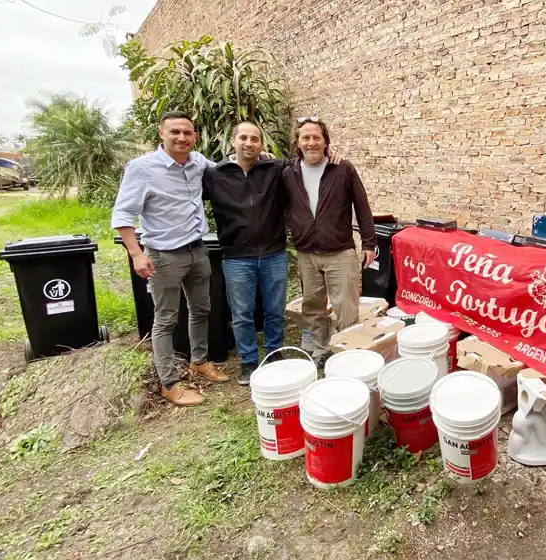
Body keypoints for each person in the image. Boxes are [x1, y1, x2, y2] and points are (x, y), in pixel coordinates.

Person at [111, 111, 228, 407]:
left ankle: (199, 362)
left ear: (195, 137)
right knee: (165, 319)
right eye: (175, 132)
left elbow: (226, 170)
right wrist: (136, 254)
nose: (181, 138)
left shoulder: (198, 162)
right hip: (164, 256)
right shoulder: (142, 168)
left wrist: (259, 157)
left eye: (187, 133)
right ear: (161, 133)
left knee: (201, 309)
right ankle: (169, 383)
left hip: (197, 251)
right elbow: (123, 213)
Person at [282, 117, 376, 367]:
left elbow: (362, 206)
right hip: (307, 253)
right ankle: (321, 349)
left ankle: (347, 353)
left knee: (346, 307)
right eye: (306, 138)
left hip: (340, 251)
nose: (311, 142)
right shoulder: (288, 173)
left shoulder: (342, 169)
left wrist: (369, 243)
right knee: (312, 306)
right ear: (298, 143)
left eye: (317, 137)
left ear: (326, 142)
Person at [201, 122, 290, 386]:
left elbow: (306, 163)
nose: (249, 143)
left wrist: (332, 154)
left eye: (255, 138)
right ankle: (249, 360)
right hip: (237, 256)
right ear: (233, 141)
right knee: (242, 314)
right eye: (243, 137)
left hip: (274, 253)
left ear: (262, 144)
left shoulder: (275, 169)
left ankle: (274, 352)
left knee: (275, 310)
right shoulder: (214, 175)